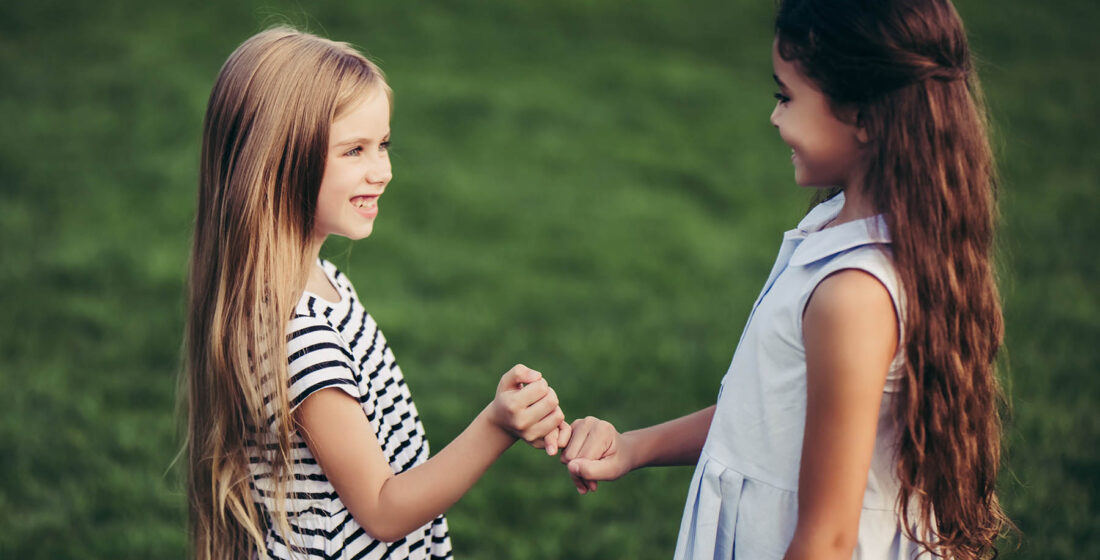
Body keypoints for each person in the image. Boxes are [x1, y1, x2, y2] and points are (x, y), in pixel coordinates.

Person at [561, 0, 1012, 558]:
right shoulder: (836, 233)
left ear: (865, 115)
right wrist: (633, 447)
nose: (775, 117)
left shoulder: (853, 295)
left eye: (786, 96)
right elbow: (767, 419)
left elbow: (826, 538)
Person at [181, 27, 569, 560]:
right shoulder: (302, 338)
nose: (382, 171)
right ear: (278, 162)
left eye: (383, 145)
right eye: (354, 150)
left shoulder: (318, 283)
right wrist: (497, 425)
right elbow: (384, 508)